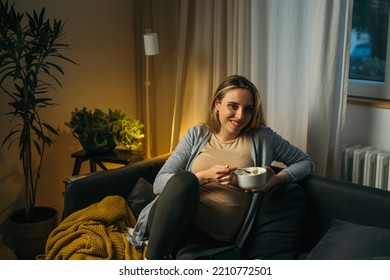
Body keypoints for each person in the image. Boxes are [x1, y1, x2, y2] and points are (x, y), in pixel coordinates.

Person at [129, 75, 314, 259]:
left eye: (247, 109)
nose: (241, 116)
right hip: (174, 222)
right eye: (233, 106)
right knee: (185, 180)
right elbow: (159, 183)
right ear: (217, 104)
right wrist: (204, 176)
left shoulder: (262, 138)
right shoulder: (197, 134)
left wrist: (276, 180)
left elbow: (306, 162)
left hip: (214, 238)